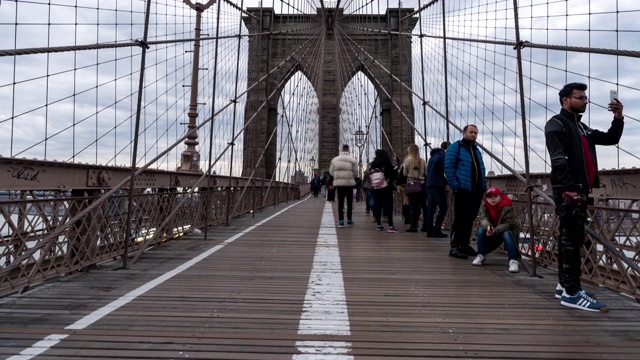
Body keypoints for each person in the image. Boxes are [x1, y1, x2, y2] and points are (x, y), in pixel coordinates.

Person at [545, 82, 624, 312]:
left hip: (580, 190)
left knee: (570, 239)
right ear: (565, 100)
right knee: (571, 241)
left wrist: (618, 118)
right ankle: (572, 293)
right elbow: (558, 159)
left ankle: (564, 285)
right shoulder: (556, 124)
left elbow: (611, 139)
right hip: (569, 191)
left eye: (586, 98)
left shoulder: (582, 128)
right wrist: (570, 188)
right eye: (580, 98)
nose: (585, 101)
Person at [444, 124, 487, 259]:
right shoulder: (455, 147)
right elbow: (449, 167)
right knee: (461, 218)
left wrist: (483, 187)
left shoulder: (476, 150)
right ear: (464, 133)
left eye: (475, 132)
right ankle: (455, 246)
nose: (473, 135)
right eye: (471, 132)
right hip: (463, 189)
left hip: (476, 191)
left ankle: (464, 244)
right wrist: (456, 186)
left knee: (470, 218)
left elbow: (481, 169)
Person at [471, 187, 520, 273]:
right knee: (480, 230)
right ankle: (480, 255)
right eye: (490, 197)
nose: (493, 199)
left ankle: (513, 260)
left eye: (495, 196)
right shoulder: (485, 206)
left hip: (505, 230)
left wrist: (496, 230)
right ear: (486, 198)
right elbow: (483, 218)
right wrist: (488, 227)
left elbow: (509, 224)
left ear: (500, 197)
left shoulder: (507, 206)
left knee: (506, 234)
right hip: (492, 230)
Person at [425, 141, 450, 238]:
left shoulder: (432, 156)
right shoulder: (441, 155)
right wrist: (445, 180)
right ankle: (437, 230)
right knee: (443, 208)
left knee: (431, 209)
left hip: (429, 184)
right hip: (437, 185)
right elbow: (438, 165)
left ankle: (429, 231)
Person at [369, 149, 398, 233]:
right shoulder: (389, 164)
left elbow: (370, 175)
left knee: (378, 206)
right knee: (389, 206)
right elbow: (394, 176)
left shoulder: (373, 165)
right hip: (387, 188)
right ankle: (391, 226)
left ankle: (379, 225)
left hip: (376, 188)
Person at [330, 144, 358, 227]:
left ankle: (341, 221)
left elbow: (331, 172)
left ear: (341, 149)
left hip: (339, 184)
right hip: (349, 184)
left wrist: (337, 177)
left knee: (340, 202)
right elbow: (356, 173)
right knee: (349, 202)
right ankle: (349, 221)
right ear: (348, 150)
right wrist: (351, 177)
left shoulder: (335, 160)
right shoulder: (352, 160)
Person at [402, 144, 427, 232]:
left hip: (412, 185)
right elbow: (426, 173)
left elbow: (404, 173)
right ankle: (425, 225)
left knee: (413, 207)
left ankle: (414, 226)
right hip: (422, 185)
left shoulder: (407, 161)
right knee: (423, 206)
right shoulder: (423, 161)